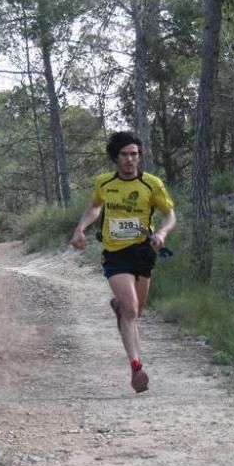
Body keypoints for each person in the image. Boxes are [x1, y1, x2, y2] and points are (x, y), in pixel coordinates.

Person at [70, 131, 176, 393]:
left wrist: (162, 233)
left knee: (136, 311)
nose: (130, 160)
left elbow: (169, 215)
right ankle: (136, 367)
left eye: (134, 154)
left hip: (143, 251)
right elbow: (95, 207)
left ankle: (119, 307)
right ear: (115, 157)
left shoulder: (152, 184)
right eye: (124, 155)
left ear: (139, 156)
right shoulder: (104, 183)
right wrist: (80, 228)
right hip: (115, 252)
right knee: (131, 308)